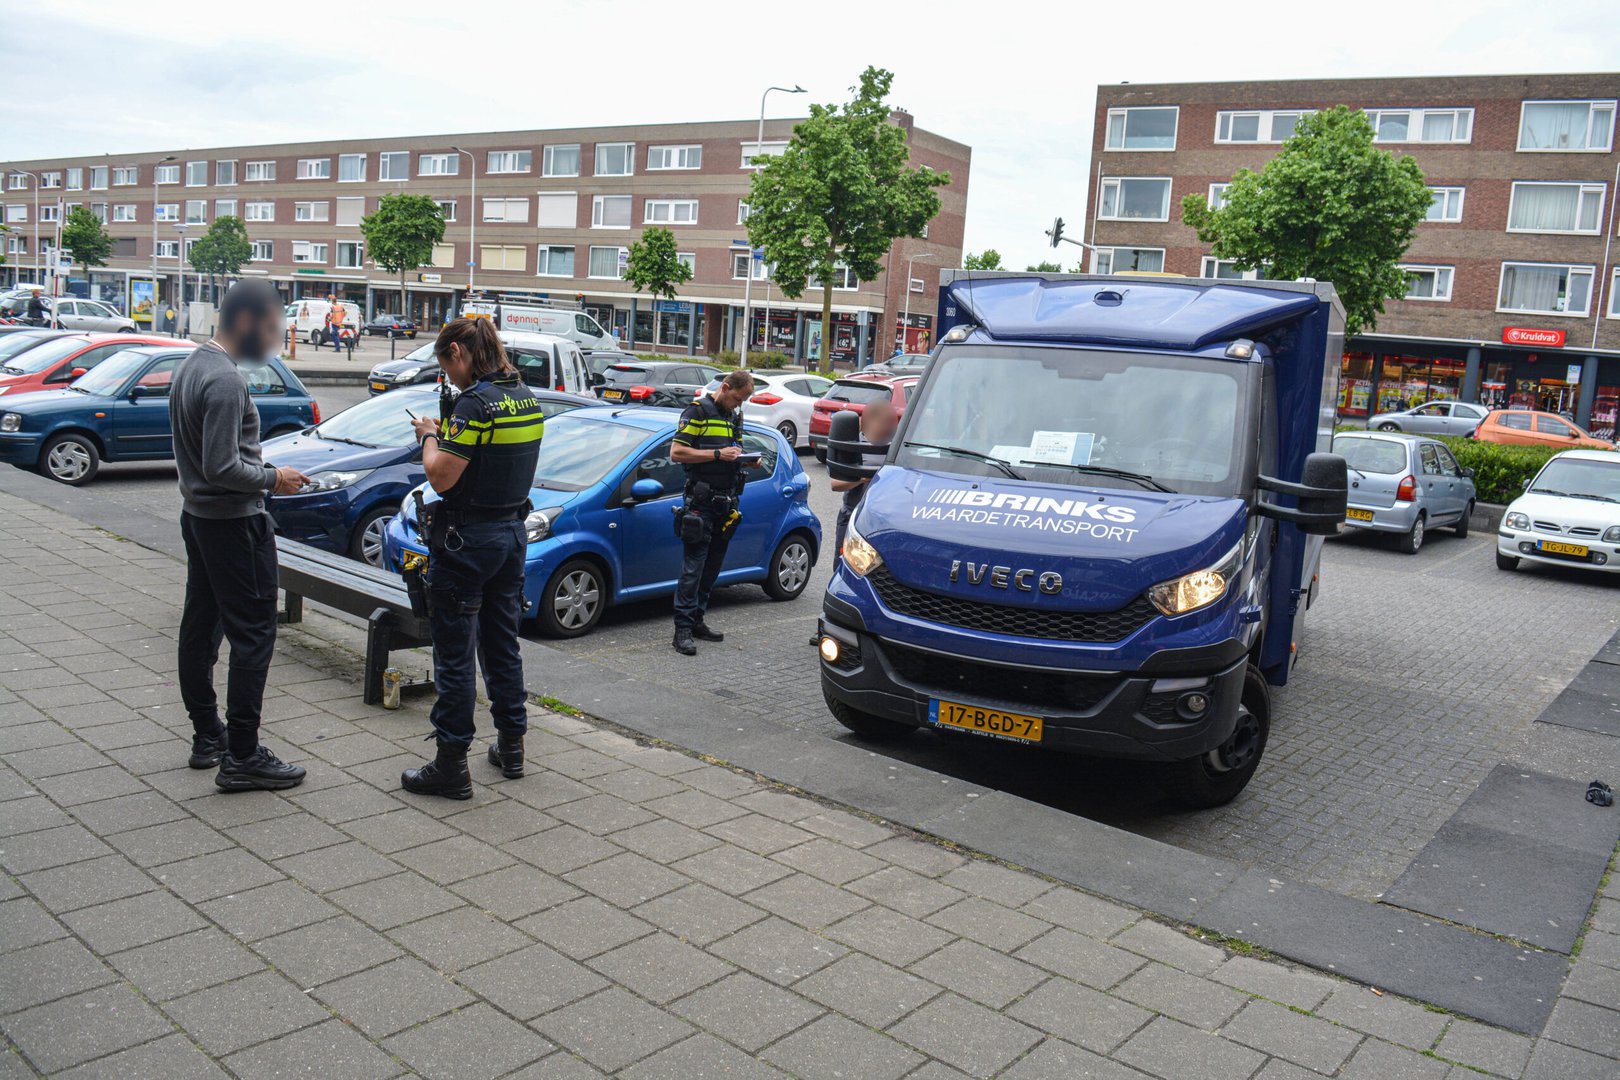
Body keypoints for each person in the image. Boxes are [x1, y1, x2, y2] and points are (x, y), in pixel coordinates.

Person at [171, 279, 310, 791]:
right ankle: (244, 756)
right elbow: (222, 465)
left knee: (201, 623)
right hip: (233, 522)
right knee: (254, 634)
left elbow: (207, 462)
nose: (273, 341)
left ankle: (209, 735)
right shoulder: (226, 381)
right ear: (247, 321)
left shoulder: (192, 366)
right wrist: (277, 477)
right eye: (272, 328)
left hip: (200, 519)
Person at [404, 318, 545, 799]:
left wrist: (430, 435)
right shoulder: (524, 395)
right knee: (502, 644)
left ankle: (450, 766)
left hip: (468, 541)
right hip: (511, 535)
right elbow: (491, 456)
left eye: (447, 364)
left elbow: (441, 477)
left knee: (456, 655)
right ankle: (511, 747)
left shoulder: (474, 402)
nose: (449, 376)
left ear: (459, 351)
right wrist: (453, 435)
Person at [669, 370, 754, 656]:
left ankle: (697, 621)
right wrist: (717, 455)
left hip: (726, 503)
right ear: (726, 387)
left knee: (711, 568)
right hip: (700, 503)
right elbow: (677, 452)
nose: (739, 404)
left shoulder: (733, 416)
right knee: (693, 567)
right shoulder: (697, 413)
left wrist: (743, 460)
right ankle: (681, 630)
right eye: (738, 398)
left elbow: (733, 451)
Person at [829, 400, 898, 556]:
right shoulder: (853, 445)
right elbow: (835, 484)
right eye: (884, 422)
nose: (888, 427)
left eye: (891, 422)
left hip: (885, 521)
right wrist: (863, 478)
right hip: (854, 518)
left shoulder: (896, 447)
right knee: (845, 565)